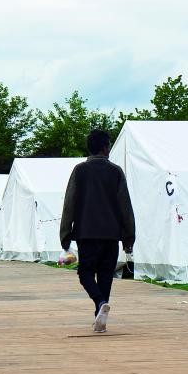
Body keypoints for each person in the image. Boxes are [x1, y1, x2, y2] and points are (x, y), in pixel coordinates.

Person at [60, 129, 135, 333]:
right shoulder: (116, 171)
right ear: (105, 148)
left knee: (85, 273)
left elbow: (70, 203)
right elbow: (125, 206)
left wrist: (65, 235)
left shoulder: (80, 170)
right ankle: (99, 316)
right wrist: (129, 237)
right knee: (105, 275)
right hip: (111, 234)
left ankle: (100, 303)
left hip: (86, 233)